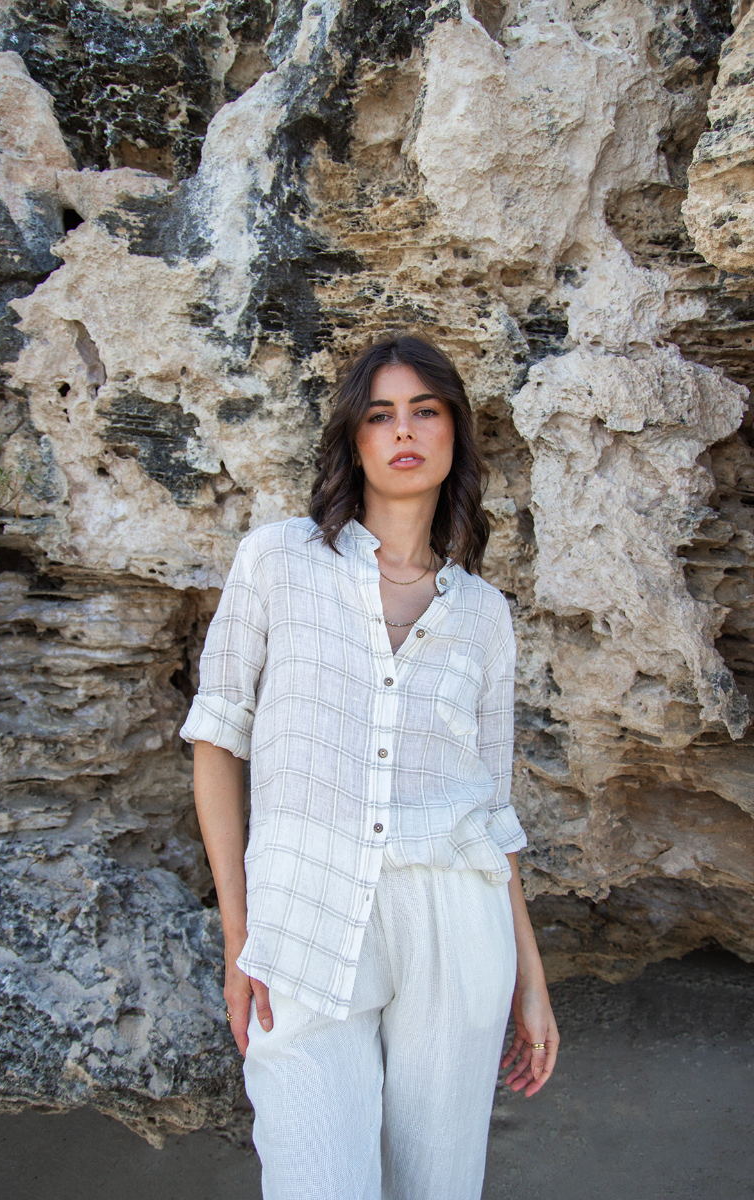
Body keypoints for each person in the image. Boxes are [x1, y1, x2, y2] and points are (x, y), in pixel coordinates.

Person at [180, 333, 559, 1200]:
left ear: (455, 434)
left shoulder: (485, 616)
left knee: (437, 1184)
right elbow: (215, 744)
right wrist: (242, 938)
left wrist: (531, 983)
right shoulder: (277, 561)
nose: (405, 431)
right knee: (317, 1181)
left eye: (426, 411)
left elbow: (492, 816)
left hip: (455, 925)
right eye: (381, 414)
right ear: (353, 439)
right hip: (303, 913)